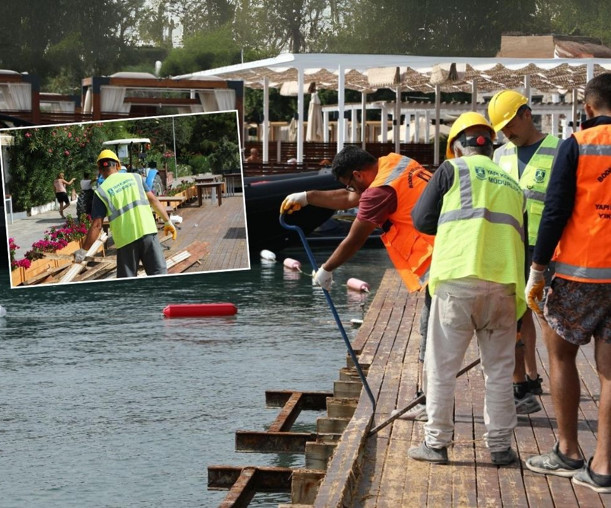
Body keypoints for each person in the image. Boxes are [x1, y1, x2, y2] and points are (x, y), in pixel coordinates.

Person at [408, 112, 526, 466]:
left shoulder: (451, 170)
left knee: (442, 368)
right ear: (490, 148)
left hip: (458, 279)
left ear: (456, 148)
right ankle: (501, 448)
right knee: (500, 372)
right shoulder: (512, 182)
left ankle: (437, 443)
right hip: (505, 286)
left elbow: (421, 220)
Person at [524, 73, 611, 493]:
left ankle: (568, 450)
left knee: (560, 357)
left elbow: (555, 210)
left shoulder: (576, 144)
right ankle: (604, 468)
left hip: (579, 273)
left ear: (588, 108)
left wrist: (537, 270)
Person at [488, 90, 563, 415]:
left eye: (510, 126)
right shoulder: (500, 155)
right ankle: (528, 378)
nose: (507, 133)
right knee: (517, 314)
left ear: (526, 114)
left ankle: (556, 372)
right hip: (510, 245)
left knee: (547, 314)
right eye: (502, 129)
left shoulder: (560, 150)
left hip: (547, 247)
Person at [280, 145, 434, 294]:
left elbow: (355, 239)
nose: (352, 190)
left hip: (437, 256)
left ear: (358, 175)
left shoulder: (378, 192)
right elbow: (349, 197)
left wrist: (326, 269)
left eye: (350, 185)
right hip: (447, 242)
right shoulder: (394, 162)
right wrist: (308, 197)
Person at [74, 149, 177, 278]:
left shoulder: (101, 192)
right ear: (117, 165)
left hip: (126, 242)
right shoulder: (136, 178)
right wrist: (168, 221)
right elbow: (154, 201)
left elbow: (96, 225)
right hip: (148, 234)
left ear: (99, 170)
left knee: (128, 285)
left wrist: (83, 250)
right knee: (159, 276)